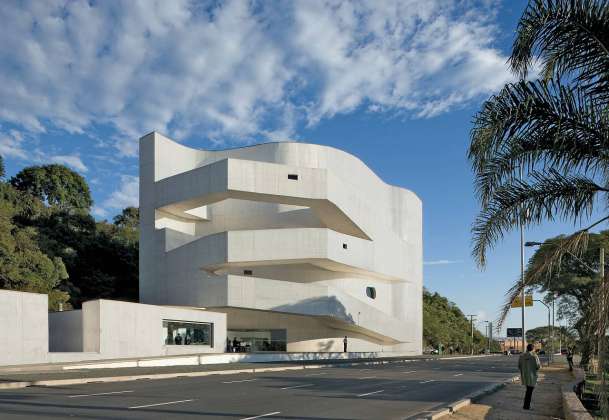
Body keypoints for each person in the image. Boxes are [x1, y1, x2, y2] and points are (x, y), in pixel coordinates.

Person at [518, 343, 541, 410]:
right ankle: (526, 406)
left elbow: (519, 366)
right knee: (529, 392)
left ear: (527, 348)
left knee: (528, 390)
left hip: (525, 376)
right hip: (532, 377)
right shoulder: (534, 356)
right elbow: (538, 366)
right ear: (533, 349)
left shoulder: (521, 356)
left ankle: (526, 406)